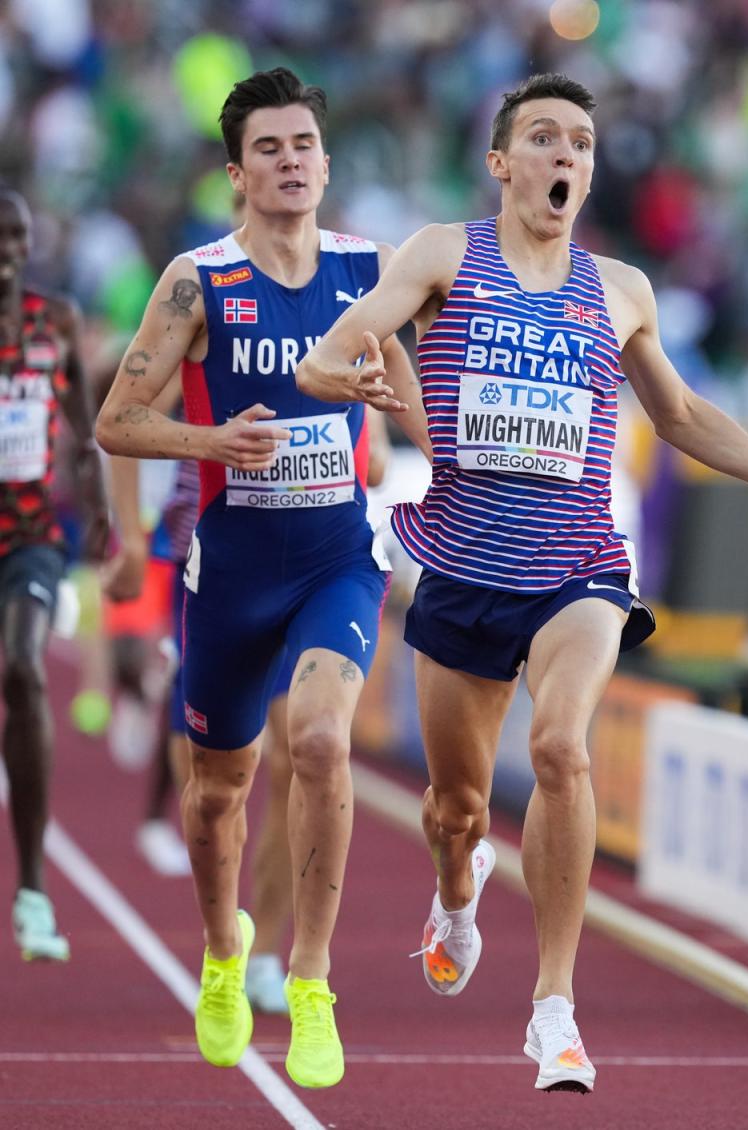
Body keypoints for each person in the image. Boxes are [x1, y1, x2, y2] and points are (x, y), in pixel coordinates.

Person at [294, 72, 748, 1094]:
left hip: (578, 564)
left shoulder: (621, 288)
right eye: (544, 138)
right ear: (502, 162)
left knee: (560, 748)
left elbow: (680, 414)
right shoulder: (445, 253)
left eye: (580, 141)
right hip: (458, 563)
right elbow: (335, 349)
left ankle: (555, 1010)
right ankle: (459, 891)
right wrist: (337, 377)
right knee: (454, 808)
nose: (567, 156)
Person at [96, 67, 426, 1088]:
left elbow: (414, 411)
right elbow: (116, 420)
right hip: (231, 566)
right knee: (215, 797)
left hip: (337, 554)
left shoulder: (371, 271)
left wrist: (404, 409)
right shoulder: (198, 280)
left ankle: (313, 978)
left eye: (304, 146)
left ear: (327, 162)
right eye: (269, 149)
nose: (290, 163)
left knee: (323, 741)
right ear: (237, 172)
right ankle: (224, 955)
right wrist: (212, 437)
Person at [0, 187, 109, 961]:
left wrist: (100, 510)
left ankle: (33, 887)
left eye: (18, 235)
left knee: (25, 671)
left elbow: (83, 429)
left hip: (33, 533)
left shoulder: (57, 319)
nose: (9, 247)